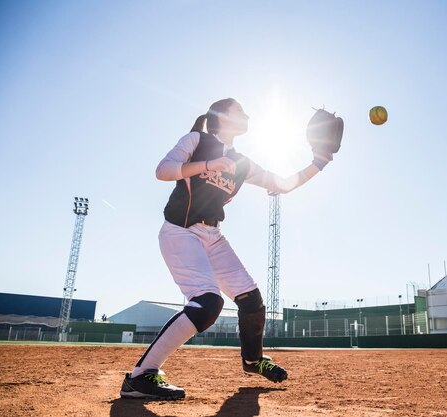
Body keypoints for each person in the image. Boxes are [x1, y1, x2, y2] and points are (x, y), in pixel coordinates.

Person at [120, 98, 335, 400]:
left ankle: (253, 360)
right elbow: (163, 171)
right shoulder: (197, 139)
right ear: (220, 117)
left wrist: (320, 160)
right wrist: (209, 164)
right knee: (207, 303)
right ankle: (141, 376)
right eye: (239, 111)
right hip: (181, 231)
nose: (246, 114)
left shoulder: (242, 161)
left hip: (213, 235)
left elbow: (283, 184)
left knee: (252, 300)